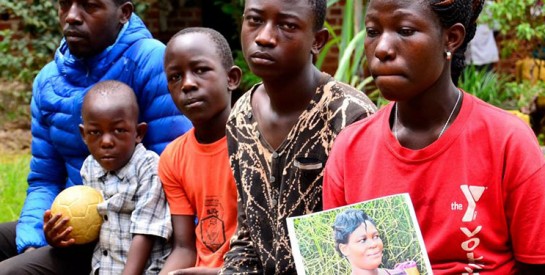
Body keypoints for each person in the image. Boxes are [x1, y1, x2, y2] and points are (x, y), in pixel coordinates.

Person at [323, 0, 545, 274]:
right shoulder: (350, 148)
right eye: (372, 31)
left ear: (451, 39)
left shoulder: (507, 141)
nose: (382, 48)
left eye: (404, 30)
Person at [0, 0, 191, 273]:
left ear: (123, 13)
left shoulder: (150, 63)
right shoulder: (48, 81)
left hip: (130, 236)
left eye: (90, 6)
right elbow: (45, 178)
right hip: (75, 224)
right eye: (65, 4)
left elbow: (174, 173)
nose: (72, 17)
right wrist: (36, 239)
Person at [219, 0, 377, 273]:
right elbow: (248, 237)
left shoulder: (349, 118)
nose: (265, 37)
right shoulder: (241, 116)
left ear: (317, 41)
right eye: (255, 20)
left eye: (288, 26)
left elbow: (367, 241)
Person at [45, 80, 172, 274]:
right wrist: (60, 236)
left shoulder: (148, 166)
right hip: (102, 267)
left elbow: (146, 232)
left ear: (139, 133)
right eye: (95, 132)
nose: (106, 142)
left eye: (119, 130)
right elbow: (91, 225)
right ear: (83, 135)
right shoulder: (90, 167)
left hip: (144, 270)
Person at [158, 27, 242, 275]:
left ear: (232, 78)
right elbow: (184, 248)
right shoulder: (173, 158)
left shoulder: (258, 143)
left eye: (200, 70)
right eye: (175, 77)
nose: (188, 84)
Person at [333, 209, 418, 275]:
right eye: (363, 240)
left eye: (376, 236)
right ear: (344, 249)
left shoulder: (406, 272)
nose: (373, 244)